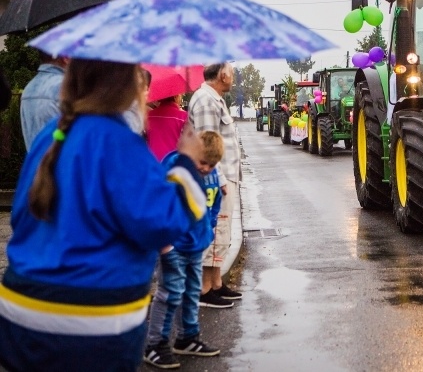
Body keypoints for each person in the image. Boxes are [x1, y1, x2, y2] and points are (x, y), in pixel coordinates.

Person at [0, 60, 208, 372]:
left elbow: (21, 218)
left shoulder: (51, 136)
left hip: (20, 316)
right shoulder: (117, 141)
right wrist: (188, 164)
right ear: (128, 85)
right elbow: (163, 224)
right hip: (88, 327)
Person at [144, 131, 225, 369]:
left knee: (191, 291)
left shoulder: (210, 175)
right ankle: (154, 344)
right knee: (170, 292)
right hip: (174, 244)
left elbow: (213, 201)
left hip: (195, 243)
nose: (206, 169)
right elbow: (157, 201)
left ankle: (187, 337)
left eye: (212, 165)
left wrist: (208, 229)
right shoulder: (174, 167)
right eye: (202, 163)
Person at [188, 62, 243, 307]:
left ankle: (216, 283)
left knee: (222, 232)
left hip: (224, 176)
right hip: (215, 180)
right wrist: (218, 181)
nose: (232, 77)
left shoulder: (214, 99)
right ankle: (204, 290)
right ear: (222, 74)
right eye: (231, 72)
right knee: (214, 231)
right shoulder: (205, 101)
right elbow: (207, 145)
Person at [20, 51, 69, 150]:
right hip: (61, 163)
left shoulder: (29, 88)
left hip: (35, 163)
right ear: (65, 57)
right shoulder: (64, 87)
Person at [147, 95, 188, 161]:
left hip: (153, 162)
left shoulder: (149, 116)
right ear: (176, 97)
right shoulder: (183, 117)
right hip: (173, 163)